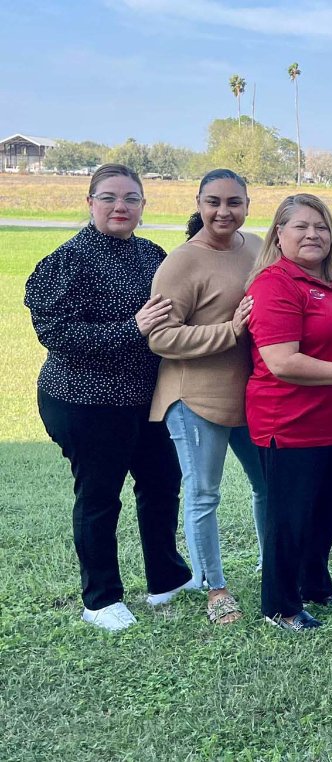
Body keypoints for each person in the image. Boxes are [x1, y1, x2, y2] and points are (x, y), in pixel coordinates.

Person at [26, 163, 192, 632]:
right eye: (109, 198)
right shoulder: (69, 260)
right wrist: (130, 329)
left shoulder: (151, 254)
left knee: (161, 485)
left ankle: (167, 578)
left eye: (131, 199)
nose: (121, 207)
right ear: (91, 203)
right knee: (100, 496)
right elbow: (55, 332)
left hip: (147, 399)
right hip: (85, 400)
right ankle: (100, 599)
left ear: (143, 205)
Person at [245, 194, 332, 632]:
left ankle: (315, 585)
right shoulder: (274, 284)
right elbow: (282, 361)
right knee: (291, 518)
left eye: (320, 226)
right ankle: (280, 605)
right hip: (292, 423)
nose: (312, 234)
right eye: (300, 226)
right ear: (279, 234)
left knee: (327, 512)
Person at [148, 169, 268, 625]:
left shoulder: (255, 247)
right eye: (214, 202)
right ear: (198, 203)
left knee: (267, 488)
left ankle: (272, 565)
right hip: (194, 398)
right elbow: (159, 336)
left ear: (247, 204)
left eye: (234, 202)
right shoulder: (182, 262)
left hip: (250, 397)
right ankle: (215, 589)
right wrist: (230, 330)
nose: (224, 211)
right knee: (203, 495)